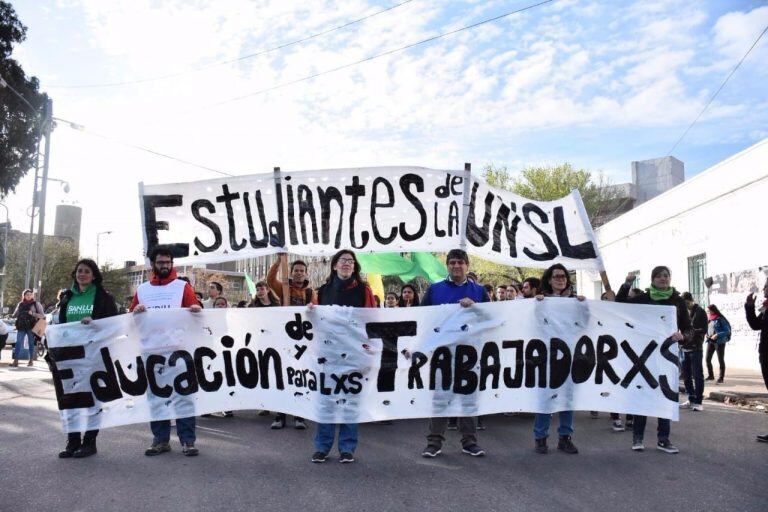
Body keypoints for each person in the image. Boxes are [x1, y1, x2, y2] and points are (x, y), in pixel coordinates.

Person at [130, 245, 203, 457]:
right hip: (152, 352)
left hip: (179, 351)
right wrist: (136, 311)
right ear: (153, 265)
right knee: (156, 398)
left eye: (168, 262)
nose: (164, 266)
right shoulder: (143, 290)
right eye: (160, 262)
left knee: (184, 396)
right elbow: (131, 318)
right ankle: (160, 440)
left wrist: (196, 309)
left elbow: (196, 311)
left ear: (172, 264)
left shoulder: (182, 287)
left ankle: (188, 441)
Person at [420, 248, 489, 459]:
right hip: (442, 354)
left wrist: (475, 308)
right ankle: (434, 443)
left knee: (468, 398)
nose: (456, 266)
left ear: (467, 265)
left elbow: (489, 318)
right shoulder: (435, 290)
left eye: (460, 262)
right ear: (447, 265)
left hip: (469, 353)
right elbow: (423, 317)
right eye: (452, 262)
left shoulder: (479, 291)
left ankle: (469, 442)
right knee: (440, 398)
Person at [310, 249, 376, 463]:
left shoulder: (364, 290)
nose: (347, 264)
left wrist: (370, 347)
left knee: (351, 401)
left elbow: (372, 319)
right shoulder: (321, 291)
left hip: (355, 354)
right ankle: (322, 447)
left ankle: (347, 448)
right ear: (334, 265)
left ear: (355, 267)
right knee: (327, 401)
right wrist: (310, 311)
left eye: (351, 261)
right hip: (328, 355)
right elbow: (315, 324)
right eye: (343, 260)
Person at [616, 265, 690, 454]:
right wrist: (627, 284)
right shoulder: (644, 298)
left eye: (666, 275)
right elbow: (620, 303)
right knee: (643, 393)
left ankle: (663, 439)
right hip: (644, 354)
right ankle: (638, 437)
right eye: (658, 276)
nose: (663, 279)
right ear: (652, 279)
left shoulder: (678, 301)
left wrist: (683, 336)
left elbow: (688, 328)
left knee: (665, 395)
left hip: (667, 355)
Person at [54, 258, 119, 459]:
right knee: (70, 398)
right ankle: (72, 441)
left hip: (93, 354)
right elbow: (59, 323)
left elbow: (113, 325)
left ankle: (89, 442)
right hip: (69, 355)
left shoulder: (103, 297)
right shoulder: (66, 297)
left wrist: (96, 323)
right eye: (79, 271)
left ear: (94, 275)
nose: (82, 274)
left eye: (87, 271)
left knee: (93, 399)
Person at [532, 264, 584, 455]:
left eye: (563, 276)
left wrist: (583, 306)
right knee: (546, 399)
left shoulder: (575, 301)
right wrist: (535, 304)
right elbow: (533, 324)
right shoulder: (541, 301)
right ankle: (540, 438)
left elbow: (585, 324)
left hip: (570, 357)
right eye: (556, 276)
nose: (561, 279)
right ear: (549, 279)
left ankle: (565, 438)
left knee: (567, 400)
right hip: (547, 357)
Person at [745, 278, 768, 443]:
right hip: (765, 355)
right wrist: (750, 307)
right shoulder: (766, 307)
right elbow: (756, 324)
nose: (764, 288)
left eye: (767, 286)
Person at [678, 292, 708, 411]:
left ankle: (698, 401)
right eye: (683, 304)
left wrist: (690, 332)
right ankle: (691, 398)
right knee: (686, 376)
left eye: (687, 303)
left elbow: (704, 330)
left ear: (691, 301)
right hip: (684, 348)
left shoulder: (700, 312)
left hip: (696, 348)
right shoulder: (682, 312)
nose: (685, 305)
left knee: (697, 375)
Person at [10, 289, 45, 367]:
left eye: (30, 294)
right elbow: (15, 314)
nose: (28, 296)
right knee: (18, 342)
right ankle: (15, 361)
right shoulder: (20, 304)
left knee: (31, 343)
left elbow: (42, 315)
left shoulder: (36, 304)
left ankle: (31, 360)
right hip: (21, 326)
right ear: (24, 296)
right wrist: (13, 315)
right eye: (27, 295)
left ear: (32, 295)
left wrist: (32, 313)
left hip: (31, 327)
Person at [706, 304, 731, 384]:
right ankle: (711, 375)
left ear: (713, 310)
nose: (708, 312)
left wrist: (717, 335)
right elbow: (709, 328)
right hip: (710, 340)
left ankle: (721, 377)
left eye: (709, 310)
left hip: (719, 342)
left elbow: (727, 331)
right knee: (707, 359)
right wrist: (707, 334)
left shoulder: (720, 319)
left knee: (720, 359)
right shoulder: (710, 318)